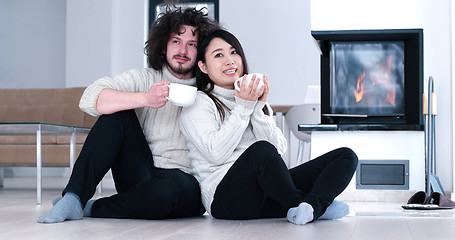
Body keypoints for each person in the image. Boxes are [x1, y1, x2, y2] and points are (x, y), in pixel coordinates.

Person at [38, 7, 218, 223]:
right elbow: (89, 98)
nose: (183, 50)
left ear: (201, 54)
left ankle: (92, 207)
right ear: (163, 47)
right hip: (141, 174)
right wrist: (144, 99)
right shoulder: (144, 78)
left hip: (184, 183)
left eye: (192, 44)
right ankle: (74, 197)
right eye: (176, 41)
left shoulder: (210, 89)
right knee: (116, 115)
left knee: (169, 190)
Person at [179, 29, 358, 225]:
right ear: (203, 66)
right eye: (219, 55)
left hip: (266, 195)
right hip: (226, 200)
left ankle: (310, 206)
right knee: (260, 151)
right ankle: (308, 205)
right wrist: (244, 106)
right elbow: (216, 153)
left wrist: (257, 108)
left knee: (346, 156)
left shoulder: (251, 100)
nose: (230, 60)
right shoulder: (198, 102)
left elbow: (278, 151)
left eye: (234, 52)